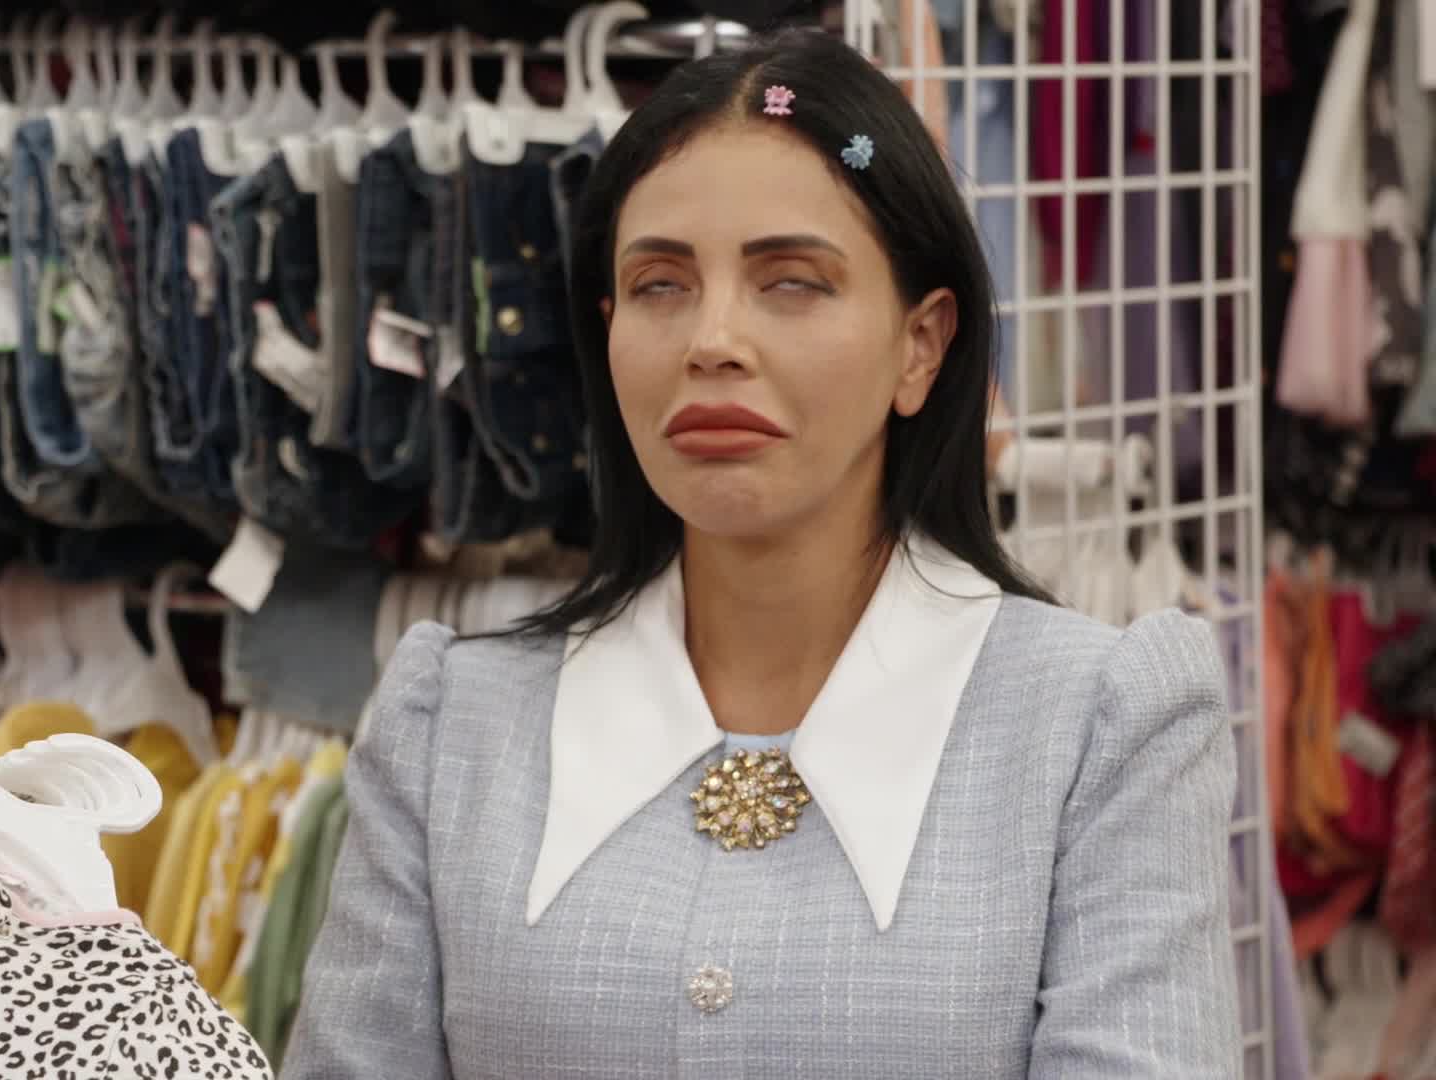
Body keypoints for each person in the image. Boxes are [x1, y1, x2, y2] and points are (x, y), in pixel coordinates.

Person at [284, 29, 1241, 1079]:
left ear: (921, 344)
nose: (712, 341)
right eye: (660, 285)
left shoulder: (1101, 731)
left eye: (791, 281)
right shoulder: (448, 730)